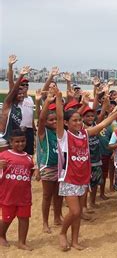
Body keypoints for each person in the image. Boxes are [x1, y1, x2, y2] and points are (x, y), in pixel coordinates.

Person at [55, 79, 117, 251]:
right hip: (69, 179)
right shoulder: (63, 136)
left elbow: (102, 124)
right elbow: (58, 116)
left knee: (78, 213)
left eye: (79, 120)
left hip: (82, 178)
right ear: (66, 123)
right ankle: (63, 233)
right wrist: (58, 98)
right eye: (74, 121)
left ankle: (75, 240)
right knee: (75, 212)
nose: (78, 123)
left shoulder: (84, 134)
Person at [0, 130, 37, 251]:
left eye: (23, 141)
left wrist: (37, 172)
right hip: (8, 195)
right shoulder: (4, 155)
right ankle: (1, 235)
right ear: (11, 142)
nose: (20, 144)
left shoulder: (28, 158)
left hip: (24, 196)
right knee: (7, 218)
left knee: (24, 218)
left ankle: (22, 242)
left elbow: (31, 171)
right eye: (17, 141)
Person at [37, 89, 63, 234]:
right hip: (48, 167)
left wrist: (58, 99)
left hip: (60, 166)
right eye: (50, 120)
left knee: (59, 194)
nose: (53, 122)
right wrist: (47, 101)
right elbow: (40, 119)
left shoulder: (59, 131)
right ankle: (45, 223)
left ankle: (57, 217)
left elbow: (61, 117)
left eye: (55, 120)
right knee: (47, 196)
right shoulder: (43, 132)